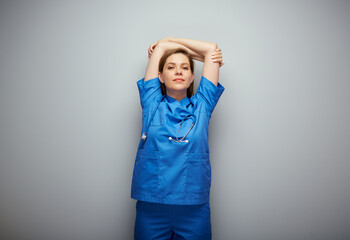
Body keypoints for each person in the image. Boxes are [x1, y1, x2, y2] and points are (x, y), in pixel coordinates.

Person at [130, 37, 225, 240]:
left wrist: (168, 42)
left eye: (185, 68)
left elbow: (211, 50)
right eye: (171, 67)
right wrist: (164, 45)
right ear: (160, 77)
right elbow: (161, 48)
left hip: (193, 209)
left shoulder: (202, 106)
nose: (179, 71)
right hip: (152, 207)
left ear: (192, 78)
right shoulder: (151, 102)